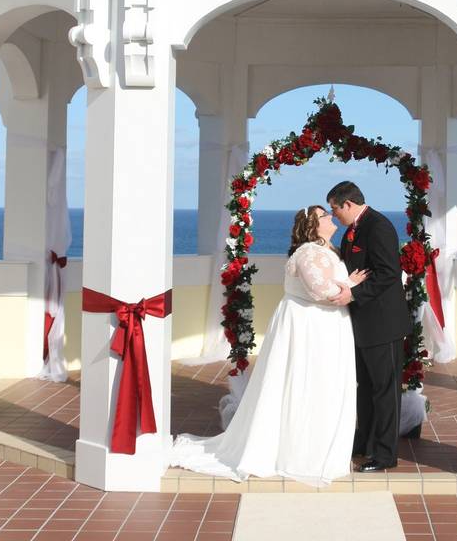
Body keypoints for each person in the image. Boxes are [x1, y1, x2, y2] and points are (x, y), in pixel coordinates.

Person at [170, 205, 368, 487]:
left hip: (323, 326)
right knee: (306, 382)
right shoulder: (309, 252)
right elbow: (319, 291)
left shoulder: (325, 250)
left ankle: (317, 446)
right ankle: (299, 452)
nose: (331, 218)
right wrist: (351, 283)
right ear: (312, 226)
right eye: (324, 216)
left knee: (322, 384)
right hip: (311, 327)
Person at [327, 181, 413, 472]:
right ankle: (363, 442)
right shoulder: (354, 231)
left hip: (383, 323)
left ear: (348, 204)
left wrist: (354, 293)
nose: (334, 215)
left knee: (385, 391)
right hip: (363, 323)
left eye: (335, 209)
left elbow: (389, 273)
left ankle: (386, 455)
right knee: (365, 388)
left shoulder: (378, 226)